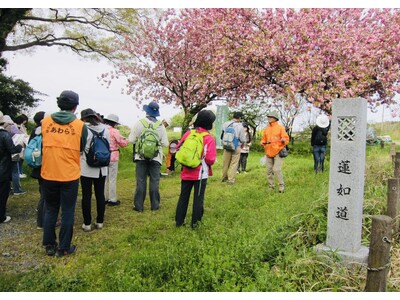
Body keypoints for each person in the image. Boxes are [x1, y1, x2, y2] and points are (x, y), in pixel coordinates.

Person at [41, 90, 87, 257]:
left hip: (48, 172)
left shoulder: (45, 122)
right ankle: (64, 247)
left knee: (51, 209)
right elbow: (81, 147)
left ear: (59, 103)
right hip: (69, 174)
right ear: (75, 107)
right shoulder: (80, 125)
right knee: (68, 210)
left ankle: (49, 245)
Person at [175, 110, 217, 228]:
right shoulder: (208, 138)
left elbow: (179, 148)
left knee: (183, 196)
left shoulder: (188, 133)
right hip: (200, 174)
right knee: (198, 199)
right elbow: (210, 159)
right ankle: (195, 223)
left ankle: (179, 221)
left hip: (186, 172)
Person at [128, 101, 169, 212]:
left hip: (140, 157)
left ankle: (138, 206)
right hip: (156, 157)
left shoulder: (139, 123)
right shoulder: (161, 126)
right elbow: (165, 143)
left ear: (146, 111)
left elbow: (131, 140)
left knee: (140, 181)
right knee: (154, 181)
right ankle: (155, 205)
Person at [80, 108, 110, 231]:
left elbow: (80, 148)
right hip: (102, 167)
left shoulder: (83, 129)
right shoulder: (105, 129)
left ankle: (87, 224)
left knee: (86, 195)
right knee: (100, 195)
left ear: (83, 118)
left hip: (86, 167)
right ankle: (100, 221)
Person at [0, 111, 24, 224]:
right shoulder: (4, 134)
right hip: (3, 169)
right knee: (2, 193)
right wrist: (20, 145)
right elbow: (13, 150)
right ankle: (1, 216)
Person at [260, 111, 289, 193]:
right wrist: (262, 142)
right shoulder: (266, 129)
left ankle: (281, 186)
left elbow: (286, 139)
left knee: (276, 169)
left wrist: (284, 140)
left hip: (278, 152)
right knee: (269, 171)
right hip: (268, 152)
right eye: (268, 117)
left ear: (275, 118)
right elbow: (263, 139)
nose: (268, 118)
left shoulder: (280, 128)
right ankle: (271, 186)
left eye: (270, 117)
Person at [103, 113, 129, 207]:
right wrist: (127, 140)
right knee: (112, 179)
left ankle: (103, 198)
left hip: (103, 156)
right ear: (114, 123)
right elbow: (123, 144)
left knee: (104, 178)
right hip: (113, 155)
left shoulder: (102, 129)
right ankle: (112, 199)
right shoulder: (115, 131)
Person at [28, 111, 46, 229]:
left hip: (37, 166)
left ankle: (42, 218)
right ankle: (42, 221)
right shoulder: (45, 131)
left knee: (43, 193)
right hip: (46, 166)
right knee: (46, 196)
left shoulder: (35, 131)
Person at [2, 115, 26, 195]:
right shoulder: (11, 126)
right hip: (12, 151)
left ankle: (8, 187)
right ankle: (17, 190)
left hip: (3, 154)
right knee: (15, 171)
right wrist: (20, 145)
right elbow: (20, 135)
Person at [221, 111, 246, 185]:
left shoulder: (226, 124)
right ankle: (231, 180)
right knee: (234, 164)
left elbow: (222, 135)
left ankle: (224, 178)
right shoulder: (240, 126)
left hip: (226, 146)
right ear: (239, 118)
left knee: (225, 163)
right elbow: (243, 139)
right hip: (236, 146)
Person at [14, 114, 29, 178]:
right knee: (18, 159)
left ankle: (20, 172)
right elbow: (21, 134)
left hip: (22, 143)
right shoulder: (15, 126)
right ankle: (18, 173)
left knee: (21, 159)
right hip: (18, 144)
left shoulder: (21, 126)